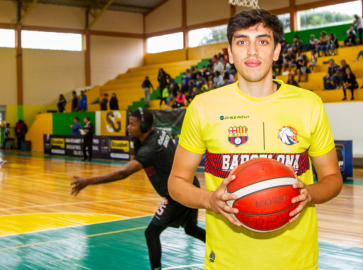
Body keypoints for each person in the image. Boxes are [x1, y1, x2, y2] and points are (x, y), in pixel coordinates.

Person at [167, 9, 342, 270]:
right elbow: (176, 182)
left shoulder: (309, 104)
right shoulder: (204, 107)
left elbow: (333, 179)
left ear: (276, 51)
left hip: (296, 260)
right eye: (241, 41)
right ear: (229, 52)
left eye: (262, 41)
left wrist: (310, 194)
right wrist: (209, 200)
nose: (252, 51)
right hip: (227, 261)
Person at [70, 108, 206, 270]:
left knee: (151, 233)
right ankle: (219, 245)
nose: (128, 127)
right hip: (190, 183)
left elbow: (123, 172)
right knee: (190, 228)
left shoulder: (149, 150)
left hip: (178, 193)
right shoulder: (160, 133)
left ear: (143, 126)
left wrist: (88, 181)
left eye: (131, 124)